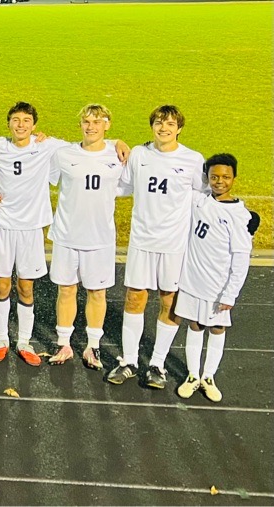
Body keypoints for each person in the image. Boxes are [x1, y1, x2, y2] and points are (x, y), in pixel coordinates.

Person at [107, 105, 206, 388]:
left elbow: (203, 198)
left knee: (169, 302)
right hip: (142, 241)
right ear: (152, 126)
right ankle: (128, 361)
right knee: (134, 299)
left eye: (170, 124)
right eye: (160, 123)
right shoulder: (139, 154)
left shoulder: (192, 159)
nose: (164, 128)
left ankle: (158, 364)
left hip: (174, 244)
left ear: (179, 128)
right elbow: (122, 187)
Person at [0, 102, 71, 366]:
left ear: (34, 125)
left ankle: (24, 341)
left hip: (30, 229)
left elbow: (86, 147)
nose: (20, 125)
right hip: (2, 226)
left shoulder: (46, 146)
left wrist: (119, 142)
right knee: (2, 285)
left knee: (26, 288)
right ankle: (2, 339)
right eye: (16, 120)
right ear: (8, 123)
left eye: (26, 120)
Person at [45, 105, 126, 369]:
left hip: (100, 238)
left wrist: (119, 143)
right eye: (86, 122)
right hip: (67, 236)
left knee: (97, 292)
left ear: (108, 124)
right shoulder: (63, 154)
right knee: (66, 290)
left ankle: (93, 346)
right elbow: (36, 177)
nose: (91, 127)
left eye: (97, 122)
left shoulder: (119, 156)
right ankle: (64, 343)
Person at [174, 154, 258, 402]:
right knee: (194, 324)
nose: (219, 181)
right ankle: (192, 375)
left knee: (217, 327)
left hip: (218, 286)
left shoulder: (239, 216)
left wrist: (230, 293)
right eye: (214, 176)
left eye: (225, 177)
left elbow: (241, 259)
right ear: (207, 177)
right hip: (192, 280)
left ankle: (208, 376)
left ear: (234, 178)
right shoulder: (198, 200)